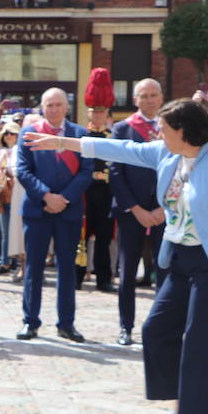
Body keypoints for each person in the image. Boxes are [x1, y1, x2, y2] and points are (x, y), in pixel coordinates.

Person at [27, 99, 208, 414]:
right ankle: (183, 410)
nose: (158, 133)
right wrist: (67, 142)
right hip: (181, 259)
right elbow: (124, 148)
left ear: (185, 132)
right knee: (156, 329)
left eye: (165, 129)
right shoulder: (168, 155)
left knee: (204, 346)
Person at [16, 87, 92, 342]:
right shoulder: (29, 133)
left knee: (66, 269)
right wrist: (47, 196)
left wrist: (64, 198)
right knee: (34, 268)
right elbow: (23, 171)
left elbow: (86, 172)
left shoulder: (80, 134)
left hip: (68, 212)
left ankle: (66, 323)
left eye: (59, 104)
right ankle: (30, 321)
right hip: (38, 210)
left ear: (66, 106)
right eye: (49, 105)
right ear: (42, 107)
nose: (54, 109)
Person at [112, 78, 167, 346]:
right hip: (130, 212)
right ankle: (126, 326)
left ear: (161, 98)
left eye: (153, 95)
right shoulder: (122, 129)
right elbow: (115, 172)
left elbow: (183, 168)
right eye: (143, 95)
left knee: (164, 269)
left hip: (165, 213)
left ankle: (162, 327)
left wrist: (164, 207)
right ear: (135, 99)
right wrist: (135, 208)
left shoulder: (173, 128)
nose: (149, 100)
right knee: (127, 272)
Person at [79, 68, 116, 294]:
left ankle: (104, 277)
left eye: (101, 111)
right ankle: (78, 274)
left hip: (106, 193)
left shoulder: (113, 137)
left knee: (103, 238)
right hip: (84, 193)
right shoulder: (80, 136)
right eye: (94, 111)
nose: (98, 115)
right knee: (81, 237)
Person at [0, 121, 22, 277]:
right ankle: (5, 262)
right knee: (4, 232)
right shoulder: (0, 153)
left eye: (13, 133)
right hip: (3, 195)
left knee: (17, 232)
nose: (9, 136)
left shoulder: (21, 151)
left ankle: (17, 262)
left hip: (18, 194)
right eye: (6, 133)